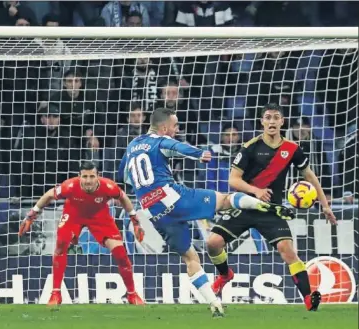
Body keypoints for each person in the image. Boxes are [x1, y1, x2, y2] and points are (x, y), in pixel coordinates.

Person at [118, 107, 293, 317]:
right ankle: (265, 205)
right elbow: (175, 146)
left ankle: (214, 305)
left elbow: (124, 176)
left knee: (190, 258)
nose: (177, 129)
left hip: (154, 211)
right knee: (226, 200)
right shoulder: (160, 141)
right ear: (164, 127)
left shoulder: (132, 146)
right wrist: (200, 154)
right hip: (174, 198)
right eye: (174, 126)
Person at [206, 103, 337, 312]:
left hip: (272, 210)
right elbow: (233, 180)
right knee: (213, 243)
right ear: (262, 122)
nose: (272, 121)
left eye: (276, 117)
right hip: (246, 206)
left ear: (282, 122)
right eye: (268, 117)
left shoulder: (292, 149)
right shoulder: (250, 147)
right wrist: (255, 191)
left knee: (287, 251)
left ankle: (309, 299)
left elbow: (310, 176)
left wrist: (325, 205)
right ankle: (224, 275)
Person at [18, 161, 145, 306]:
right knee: (61, 245)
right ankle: (55, 294)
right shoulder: (69, 186)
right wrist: (31, 216)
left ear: (98, 176)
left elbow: (123, 198)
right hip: (74, 215)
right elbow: (48, 196)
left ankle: (132, 295)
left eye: (92, 176)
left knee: (121, 253)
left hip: (100, 217)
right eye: (85, 177)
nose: (88, 181)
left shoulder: (108, 186)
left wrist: (135, 220)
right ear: (79, 177)